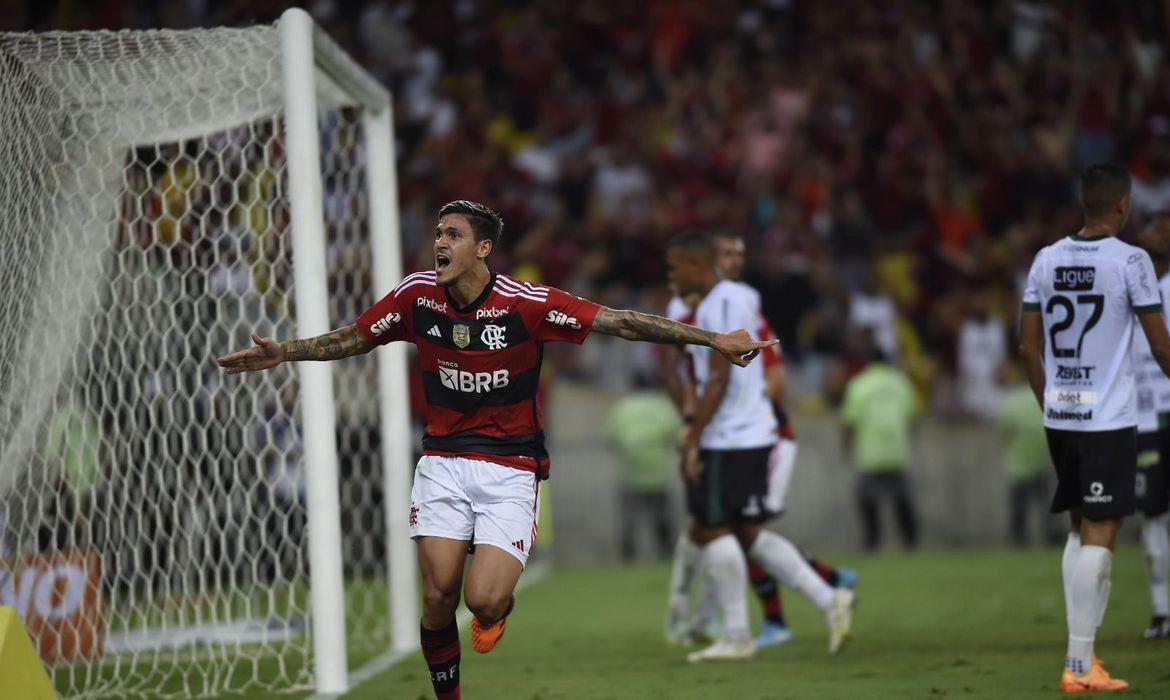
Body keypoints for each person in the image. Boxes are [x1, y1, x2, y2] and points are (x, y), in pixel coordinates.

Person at [217, 201, 774, 700]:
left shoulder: (526, 303)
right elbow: (355, 337)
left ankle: (497, 608)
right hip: (442, 461)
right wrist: (285, 352)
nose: (440, 242)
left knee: (482, 601)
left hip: (510, 466)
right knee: (438, 597)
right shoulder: (416, 296)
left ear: (483, 249)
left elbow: (621, 323)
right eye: (438, 233)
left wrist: (713, 340)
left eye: (454, 235)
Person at [663, 231, 853, 663]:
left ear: (695, 265)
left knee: (712, 528)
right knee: (747, 531)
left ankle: (735, 633)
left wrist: (694, 435)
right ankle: (829, 599)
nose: (671, 277)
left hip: (730, 435)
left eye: (675, 268)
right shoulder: (735, 298)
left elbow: (718, 377)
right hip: (749, 431)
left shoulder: (718, 304)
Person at [1019, 164, 1170, 692]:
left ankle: (1084, 657)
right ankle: (1079, 664)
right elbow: (1161, 345)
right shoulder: (1131, 261)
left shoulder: (1045, 258)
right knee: (1102, 533)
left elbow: (1027, 347)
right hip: (1108, 419)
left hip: (1061, 414)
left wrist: (1051, 403)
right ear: (1123, 205)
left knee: (1080, 528)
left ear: (1085, 203)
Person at [840, 342, 921, 551]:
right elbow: (912, 417)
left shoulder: (860, 384)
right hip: (897, 451)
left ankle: (872, 540)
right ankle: (910, 541)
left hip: (870, 452)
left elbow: (849, 421)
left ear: (868, 363)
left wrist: (846, 447)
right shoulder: (901, 383)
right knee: (902, 498)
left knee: (867, 499)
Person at [1132, 214, 1170, 639]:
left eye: (1162, 228)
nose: (1154, 234)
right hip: (1145, 418)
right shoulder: (1126, 288)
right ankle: (1161, 611)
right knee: (1152, 515)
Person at [606, 372, 680, 561]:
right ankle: (665, 554)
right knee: (661, 518)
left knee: (629, 521)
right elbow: (674, 434)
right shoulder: (662, 407)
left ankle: (628, 556)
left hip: (629, 473)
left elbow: (611, 438)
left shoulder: (622, 408)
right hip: (657, 473)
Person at [997, 367, 1056, 545]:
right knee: (1045, 503)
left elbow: (1004, 431)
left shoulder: (1012, 402)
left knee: (1019, 506)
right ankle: (1051, 536)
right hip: (1041, 459)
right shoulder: (1044, 397)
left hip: (1019, 463)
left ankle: (1019, 539)